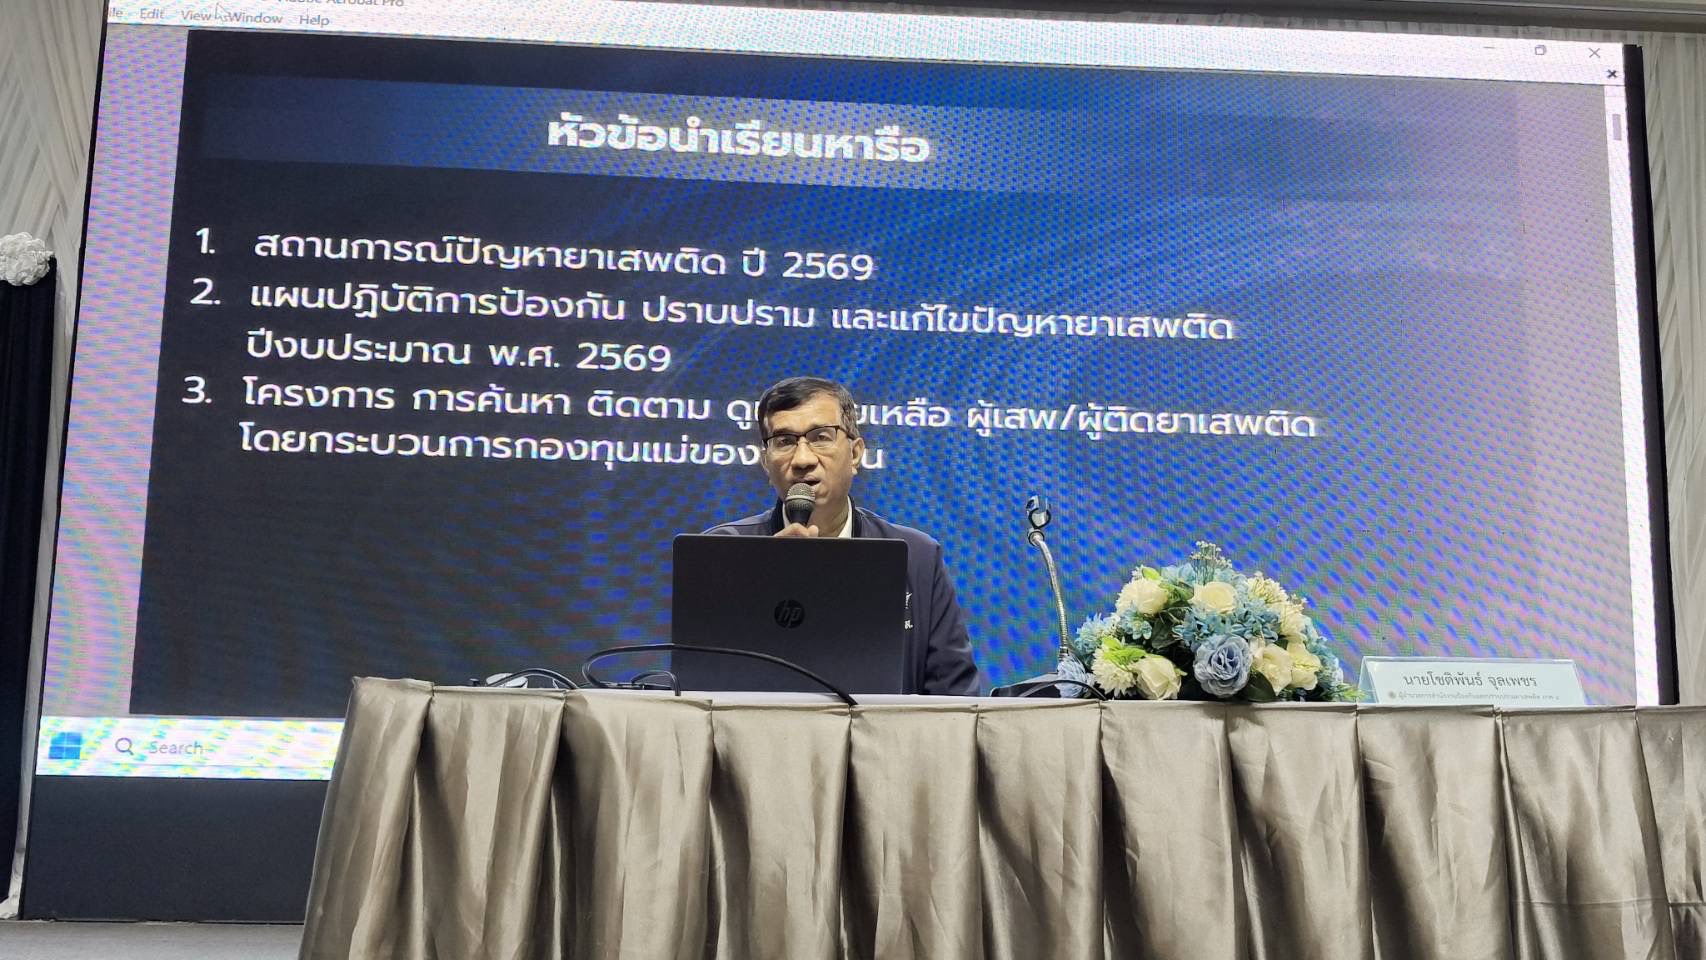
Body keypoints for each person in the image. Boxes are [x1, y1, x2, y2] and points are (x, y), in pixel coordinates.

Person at [704, 376, 981, 695]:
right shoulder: (724, 555)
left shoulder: (916, 557)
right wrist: (761, 586)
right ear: (766, 463)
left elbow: (955, 698)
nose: (803, 459)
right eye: (784, 441)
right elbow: (702, 690)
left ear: (856, 453)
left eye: (821, 437)